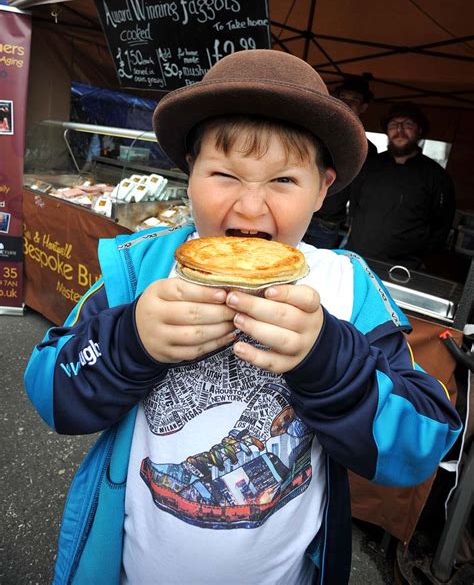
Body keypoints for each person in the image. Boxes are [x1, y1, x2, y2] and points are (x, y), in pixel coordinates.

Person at [24, 51, 461, 585]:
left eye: (283, 182)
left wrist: (327, 359)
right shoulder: (140, 271)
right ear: (189, 174)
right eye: (225, 174)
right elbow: (50, 391)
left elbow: (419, 444)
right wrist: (127, 340)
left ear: (323, 189)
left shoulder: (346, 287)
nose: (251, 209)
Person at [346, 101, 456, 269]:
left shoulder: (436, 176)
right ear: (387, 131)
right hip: (356, 260)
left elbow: (442, 226)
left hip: (402, 268)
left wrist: (423, 260)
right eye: (394, 125)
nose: (400, 130)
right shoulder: (369, 165)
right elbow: (354, 206)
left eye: (408, 125)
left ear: (419, 130)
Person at [303, 74, 377, 249]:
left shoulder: (367, 148)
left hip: (327, 222)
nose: (348, 102)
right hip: (297, 211)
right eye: (343, 97)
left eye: (355, 99)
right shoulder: (316, 132)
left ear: (364, 106)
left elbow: (362, 191)